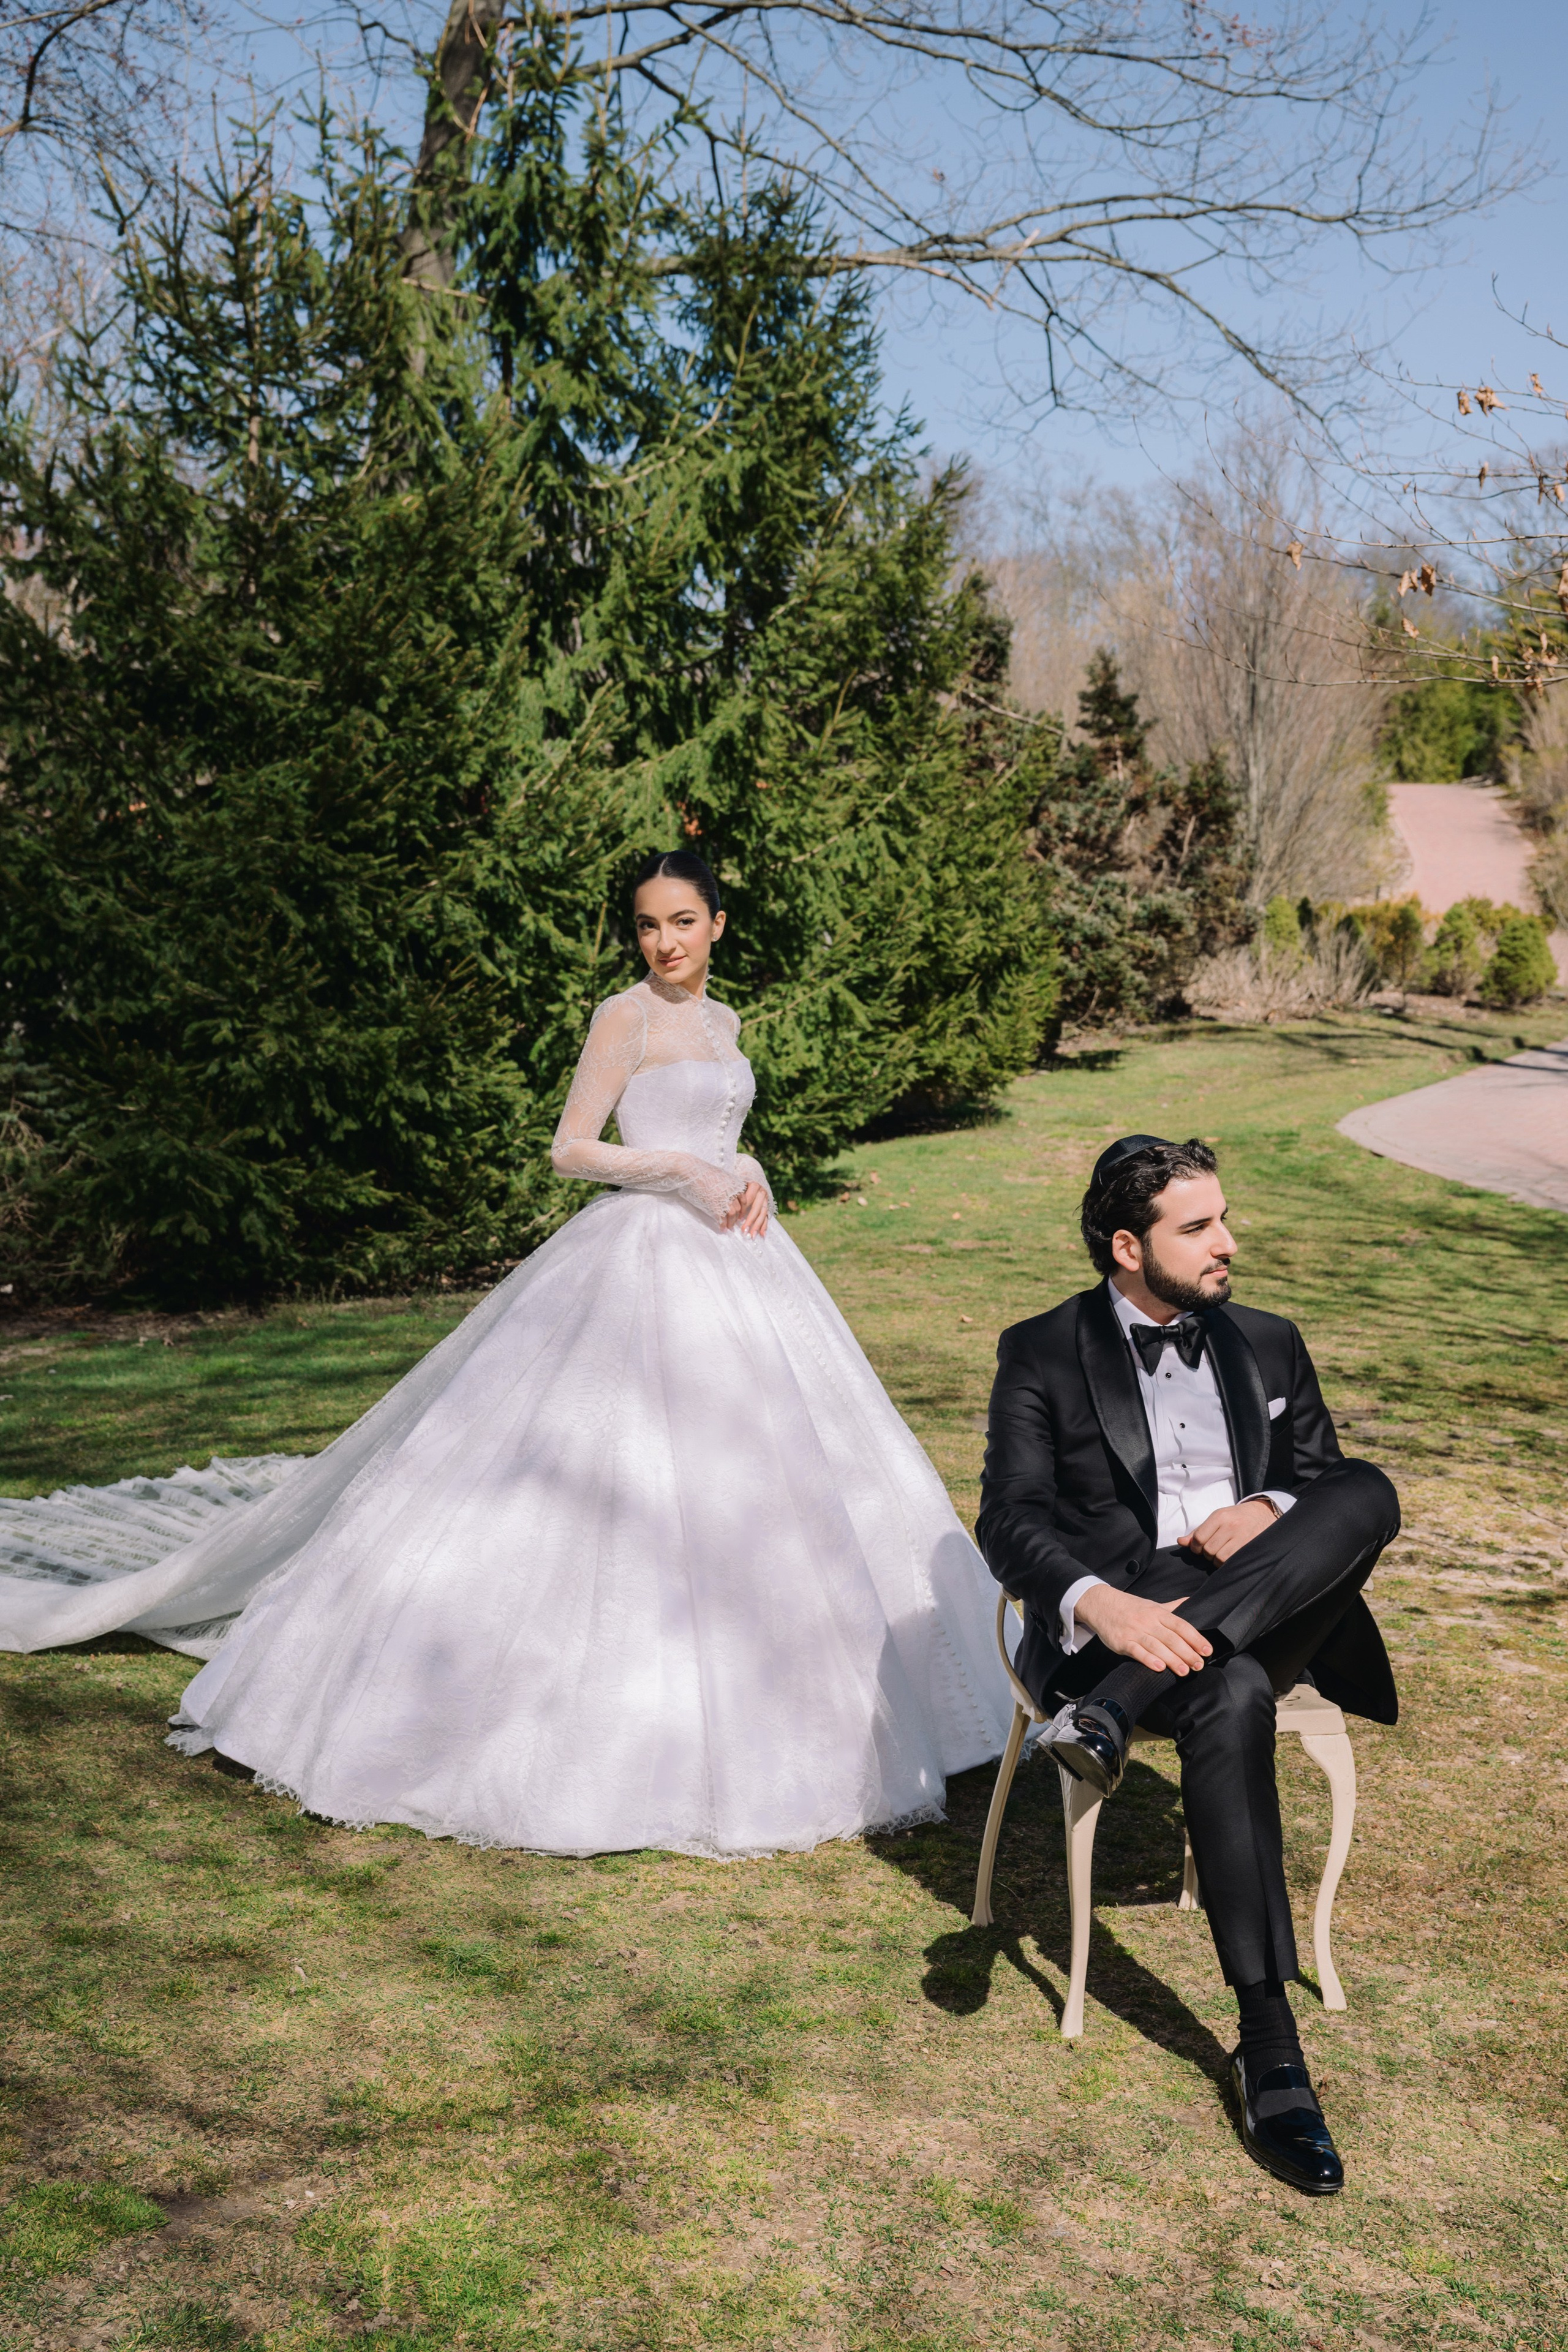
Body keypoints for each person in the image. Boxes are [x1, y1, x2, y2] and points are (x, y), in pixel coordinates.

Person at [0, 851, 1011, 1858]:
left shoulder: (726, 1022)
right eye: (648, 924)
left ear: (718, 925)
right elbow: (572, 1147)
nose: (665, 941)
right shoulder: (624, 1018)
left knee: (770, 1474)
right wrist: (678, 1170)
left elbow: (722, 1131)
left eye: (683, 921)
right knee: (598, 1471)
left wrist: (743, 1173)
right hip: (642, 1257)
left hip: (739, 1263)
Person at [976, 1134, 1399, 2196]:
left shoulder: (1269, 1339)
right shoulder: (1041, 1350)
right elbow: (1009, 1520)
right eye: (1199, 1226)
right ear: (1129, 1247)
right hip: (1125, 1620)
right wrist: (1106, 1607)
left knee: (1369, 1490)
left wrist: (1268, 1506)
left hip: (1259, 1600)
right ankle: (1271, 2047)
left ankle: (1113, 1716)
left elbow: (1324, 1481)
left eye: (1225, 1219)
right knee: (1234, 1689)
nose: (1228, 1243)